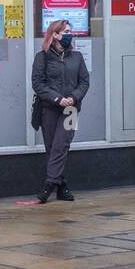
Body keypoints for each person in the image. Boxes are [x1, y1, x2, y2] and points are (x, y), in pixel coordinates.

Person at [31, 19, 89, 203]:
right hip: (49, 109)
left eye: (70, 32)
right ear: (54, 35)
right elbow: (38, 83)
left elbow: (84, 82)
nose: (69, 35)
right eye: (65, 32)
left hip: (71, 110)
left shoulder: (77, 57)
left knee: (61, 146)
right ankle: (62, 186)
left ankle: (49, 185)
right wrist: (57, 98)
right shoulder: (42, 57)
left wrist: (74, 97)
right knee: (52, 148)